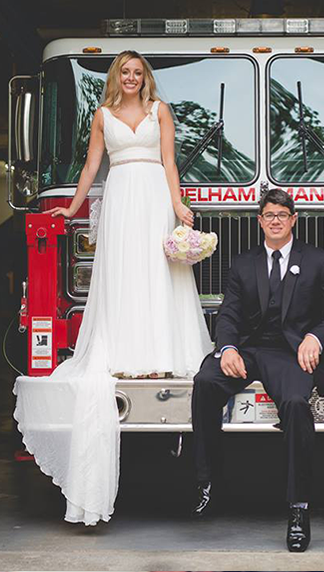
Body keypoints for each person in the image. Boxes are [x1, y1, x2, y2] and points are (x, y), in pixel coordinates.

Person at [13, 51, 213, 526]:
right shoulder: (102, 116)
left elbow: (169, 163)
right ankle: (126, 355)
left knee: (158, 275)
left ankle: (160, 355)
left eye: (137, 72)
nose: (130, 78)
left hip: (153, 199)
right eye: (124, 72)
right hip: (121, 199)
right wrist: (74, 206)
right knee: (124, 276)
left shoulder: (159, 111)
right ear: (115, 78)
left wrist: (179, 206)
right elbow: (90, 168)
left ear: (144, 78)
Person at [191, 188, 324, 552]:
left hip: (293, 353)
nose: (277, 221)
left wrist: (316, 336)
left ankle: (298, 508)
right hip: (250, 350)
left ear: (293, 219)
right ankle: (209, 483)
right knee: (205, 381)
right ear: (260, 221)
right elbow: (230, 313)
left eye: (283, 214)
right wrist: (228, 347)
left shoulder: (317, 260)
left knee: (297, 405)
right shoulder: (243, 262)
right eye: (270, 215)